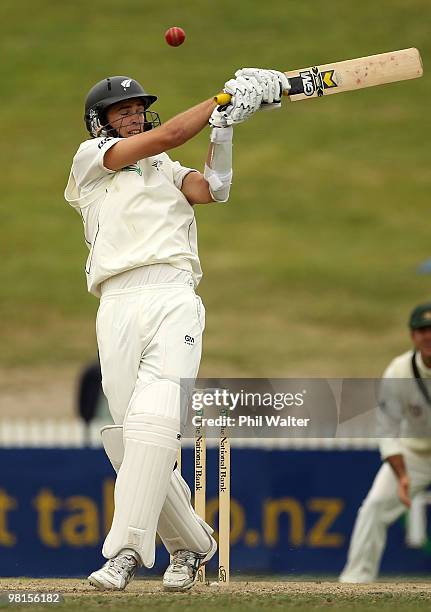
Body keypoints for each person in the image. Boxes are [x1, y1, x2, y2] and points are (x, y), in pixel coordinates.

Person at [65, 69, 290, 591]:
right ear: (100, 122)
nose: (134, 116)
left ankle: (123, 553)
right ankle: (191, 545)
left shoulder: (166, 169)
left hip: (172, 296)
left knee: (156, 424)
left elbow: (213, 189)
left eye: (138, 108)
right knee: (130, 442)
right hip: (115, 302)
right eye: (122, 111)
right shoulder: (89, 162)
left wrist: (226, 127)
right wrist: (222, 99)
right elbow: (167, 134)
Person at [339, 303, 431, 583]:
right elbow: (387, 429)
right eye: (422, 331)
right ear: (412, 336)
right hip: (414, 454)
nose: (428, 337)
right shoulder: (400, 371)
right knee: (375, 506)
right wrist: (402, 476)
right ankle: (355, 581)